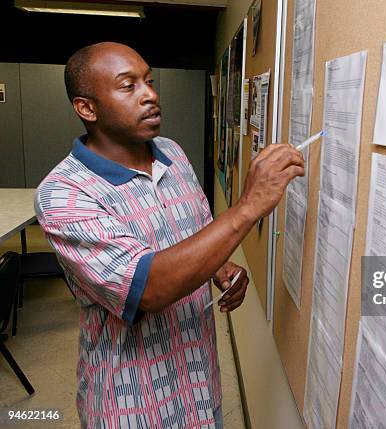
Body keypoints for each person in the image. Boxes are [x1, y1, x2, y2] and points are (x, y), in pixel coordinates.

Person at [35, 42, 304, 428]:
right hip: (132, 404)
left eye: (149, 81)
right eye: (128, 86)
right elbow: (148, 289)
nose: (150, 95)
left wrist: (220, 268)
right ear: (87, 108)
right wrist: (248, 206)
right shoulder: (63, 194)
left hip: (200, 385)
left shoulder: (173, 154)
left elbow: (190, 237)